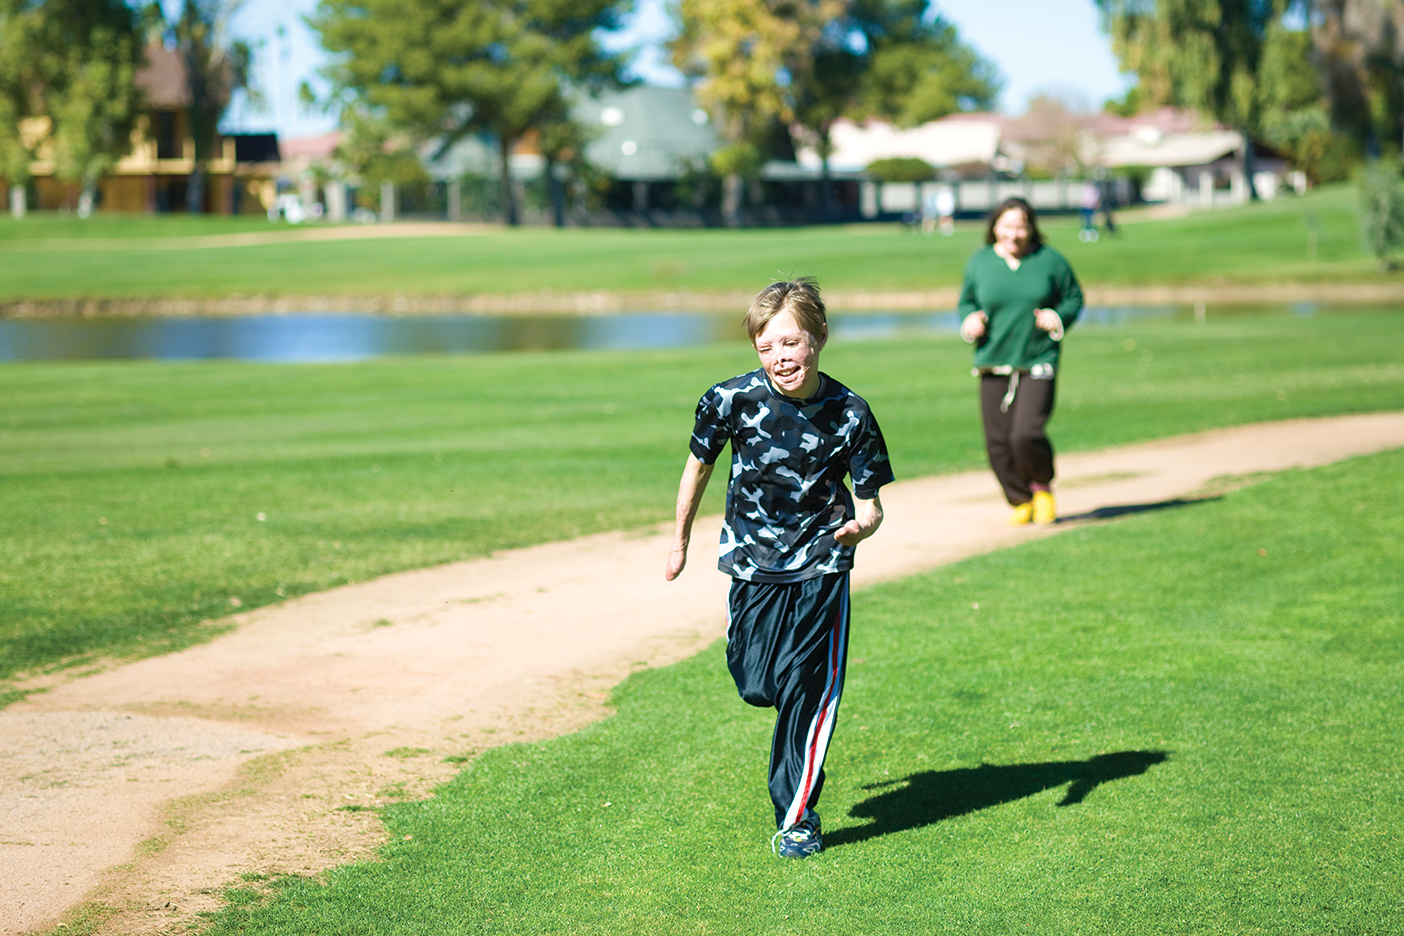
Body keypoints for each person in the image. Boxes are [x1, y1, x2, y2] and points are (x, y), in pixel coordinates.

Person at [664, 278, 893, 859]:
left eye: (790, 343)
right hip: (750, 557)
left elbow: (871, 506)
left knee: (807, 691)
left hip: (822, 560)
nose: (779, 358)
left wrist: (863, 527)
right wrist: (680, 540)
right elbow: (697, 468)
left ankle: (797, 818)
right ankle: (754, 656)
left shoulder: (852, 413)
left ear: (817, 338)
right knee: (755, 682)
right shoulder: (727, 400)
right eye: (766, 347)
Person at [958, 196, 1083, 526]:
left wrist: (1059, 316)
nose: (1014, 234)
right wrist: (969, 319)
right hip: (993, 360)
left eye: (1021, 226)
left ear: (1031, 228)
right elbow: (967, 301)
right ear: (995, 227)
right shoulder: (980, 262)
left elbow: (1074, 298)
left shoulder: (1051, 261)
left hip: (1037, 358)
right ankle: (1019, 499)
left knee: (1025, 433)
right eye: (1007, 226)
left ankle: (1041, 487)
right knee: (997, 443)